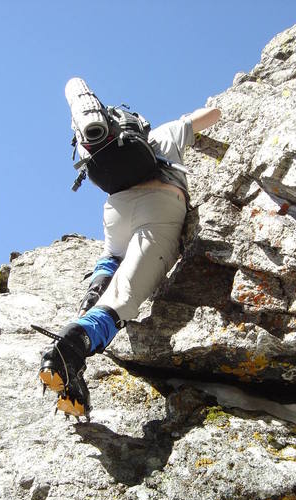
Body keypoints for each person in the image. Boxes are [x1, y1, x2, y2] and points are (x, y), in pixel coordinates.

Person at [38, 106, 221, 412]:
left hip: (117, 209)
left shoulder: (113, 146)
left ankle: (85, 319)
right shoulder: (165, 133)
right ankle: (71, 348)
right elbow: (211, 115)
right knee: (124, 297)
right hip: (160, 204)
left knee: (112, 257)